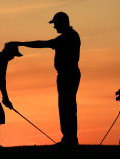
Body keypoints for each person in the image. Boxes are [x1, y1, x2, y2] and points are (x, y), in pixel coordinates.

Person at [7, 12, 81, 145]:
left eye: (56, 23)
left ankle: (70, 139)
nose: (54, 27)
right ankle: (69, 138)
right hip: (67, 75)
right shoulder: (68, 36)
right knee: (66, 106)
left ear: (63, 22)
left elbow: (44, 44)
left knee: (67, 107)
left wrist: (21, 43)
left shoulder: (68, 37)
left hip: (68, 75)